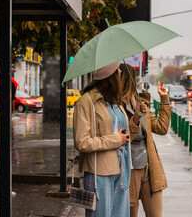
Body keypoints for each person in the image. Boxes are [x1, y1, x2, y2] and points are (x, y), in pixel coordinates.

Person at [73, 62, 148, 217]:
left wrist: (136, 117)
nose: (121, 73)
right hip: (99, 173)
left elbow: (125, 136)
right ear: (110, 75)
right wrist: (115, 139)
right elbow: (82, 142)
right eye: (118, 70)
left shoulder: (115, 101)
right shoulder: (86, 102)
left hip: (122, 170)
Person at [120, 63, 172, 217]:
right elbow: (124, 135)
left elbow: (161, 128)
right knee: (131, 213)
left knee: (156, 214)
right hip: (129, 169)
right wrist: (135, 118)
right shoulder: (116, 106)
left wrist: (164, 99)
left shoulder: (141, 103)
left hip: (149, 167)